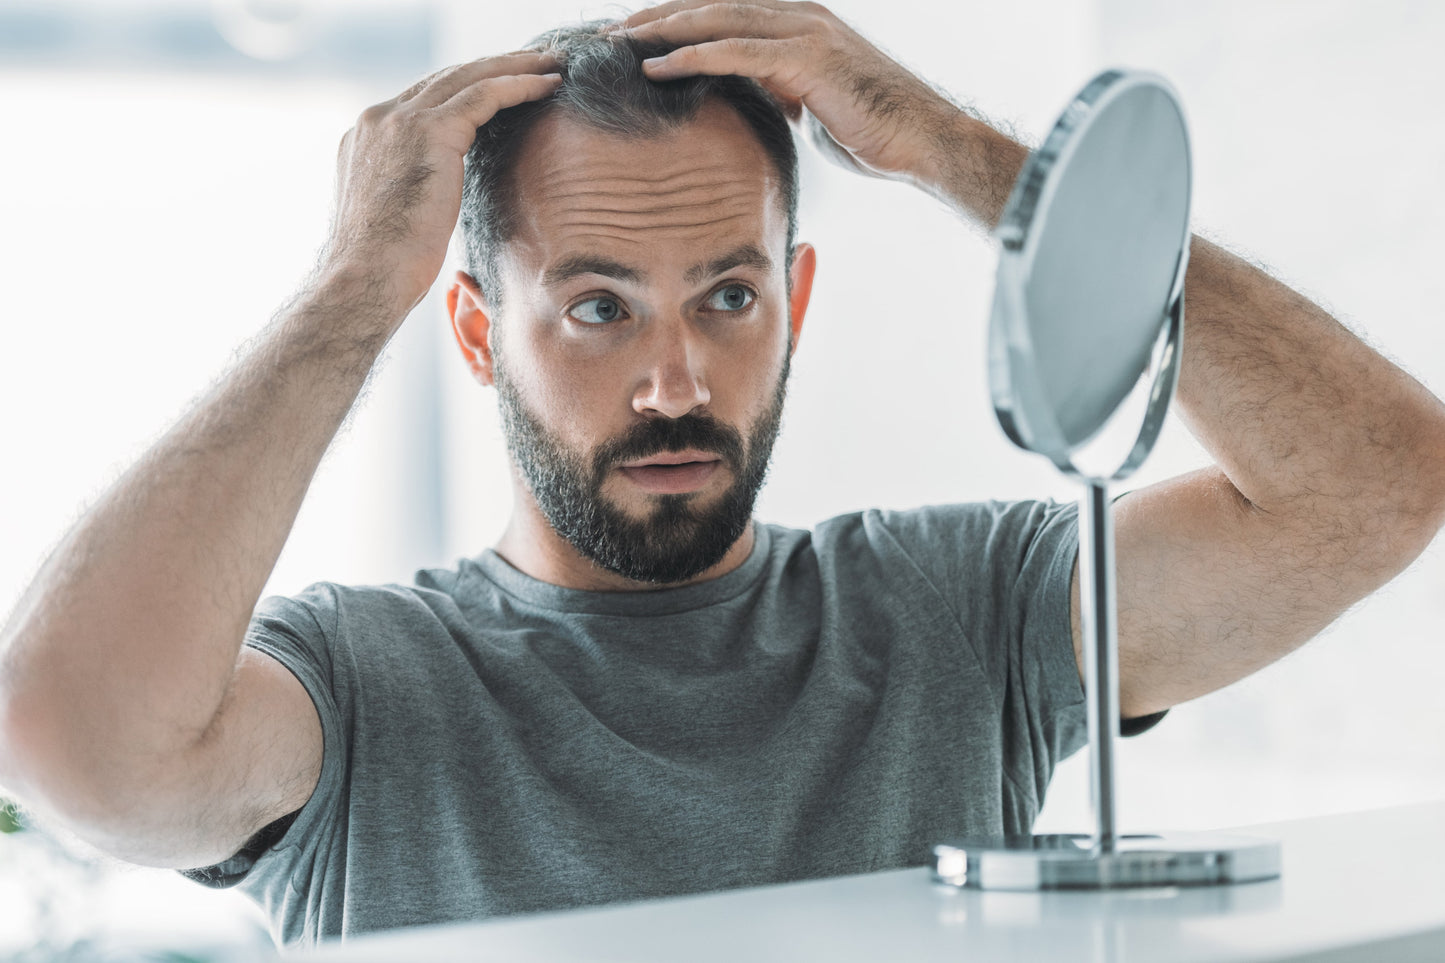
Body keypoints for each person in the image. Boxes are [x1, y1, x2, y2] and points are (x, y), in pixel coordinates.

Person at [2, 0, 1443, 948]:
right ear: (471, 331)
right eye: (596, 307)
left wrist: (963, 156)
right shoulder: (364, 685)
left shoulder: (956, 612)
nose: (676, 382)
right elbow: (78, 749)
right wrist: (344, 293)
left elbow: (1373, 487)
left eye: (728, 297)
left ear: (794, 301)